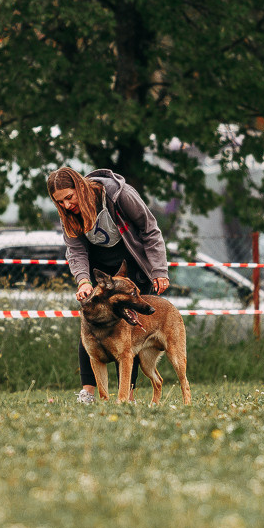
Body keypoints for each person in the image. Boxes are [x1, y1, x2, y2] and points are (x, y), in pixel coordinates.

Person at [46, 167, 171, 404]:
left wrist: (159, 270)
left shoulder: (118, 195)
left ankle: (128, 396)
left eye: (69, 197)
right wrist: (83, 280)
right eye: (59, 202)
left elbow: (150, 229)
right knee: (91, 321)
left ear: (80, 187)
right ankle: (88, 393)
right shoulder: (68, 215)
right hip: (100, 271)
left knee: (129, 331)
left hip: (131, 266)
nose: (66, 205)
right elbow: (76, 250)